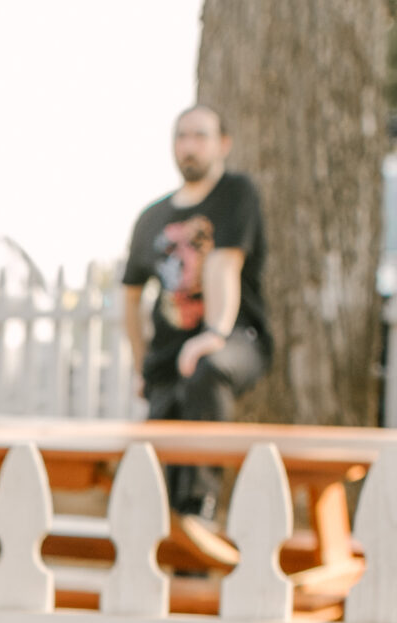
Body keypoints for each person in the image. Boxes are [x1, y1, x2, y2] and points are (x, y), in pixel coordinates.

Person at [122, 103, 271, 564]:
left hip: (237, 338)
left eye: (201, 135)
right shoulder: (152, 218)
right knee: (160, 469)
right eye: (182, 136)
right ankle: (179, 566)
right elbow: (130, 298)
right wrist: (141, 364)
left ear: (222, 144)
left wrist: (214, 333)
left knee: (208, 370)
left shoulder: (235, 193)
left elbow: (226, 263)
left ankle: (203, 505)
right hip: (170, 355)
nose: (190, 145)